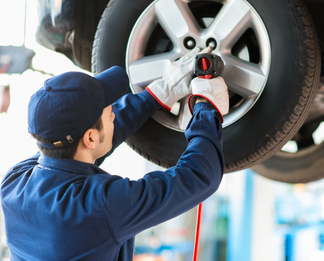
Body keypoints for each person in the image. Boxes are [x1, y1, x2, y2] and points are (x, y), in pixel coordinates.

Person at [0, 47, 229, 261]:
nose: (113, 114)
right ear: (89, 138)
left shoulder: (14, 183)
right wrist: (206, 107)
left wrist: (155, 96)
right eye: (109, 110)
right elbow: (200, 176)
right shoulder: (99, 207)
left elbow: (81, 150)